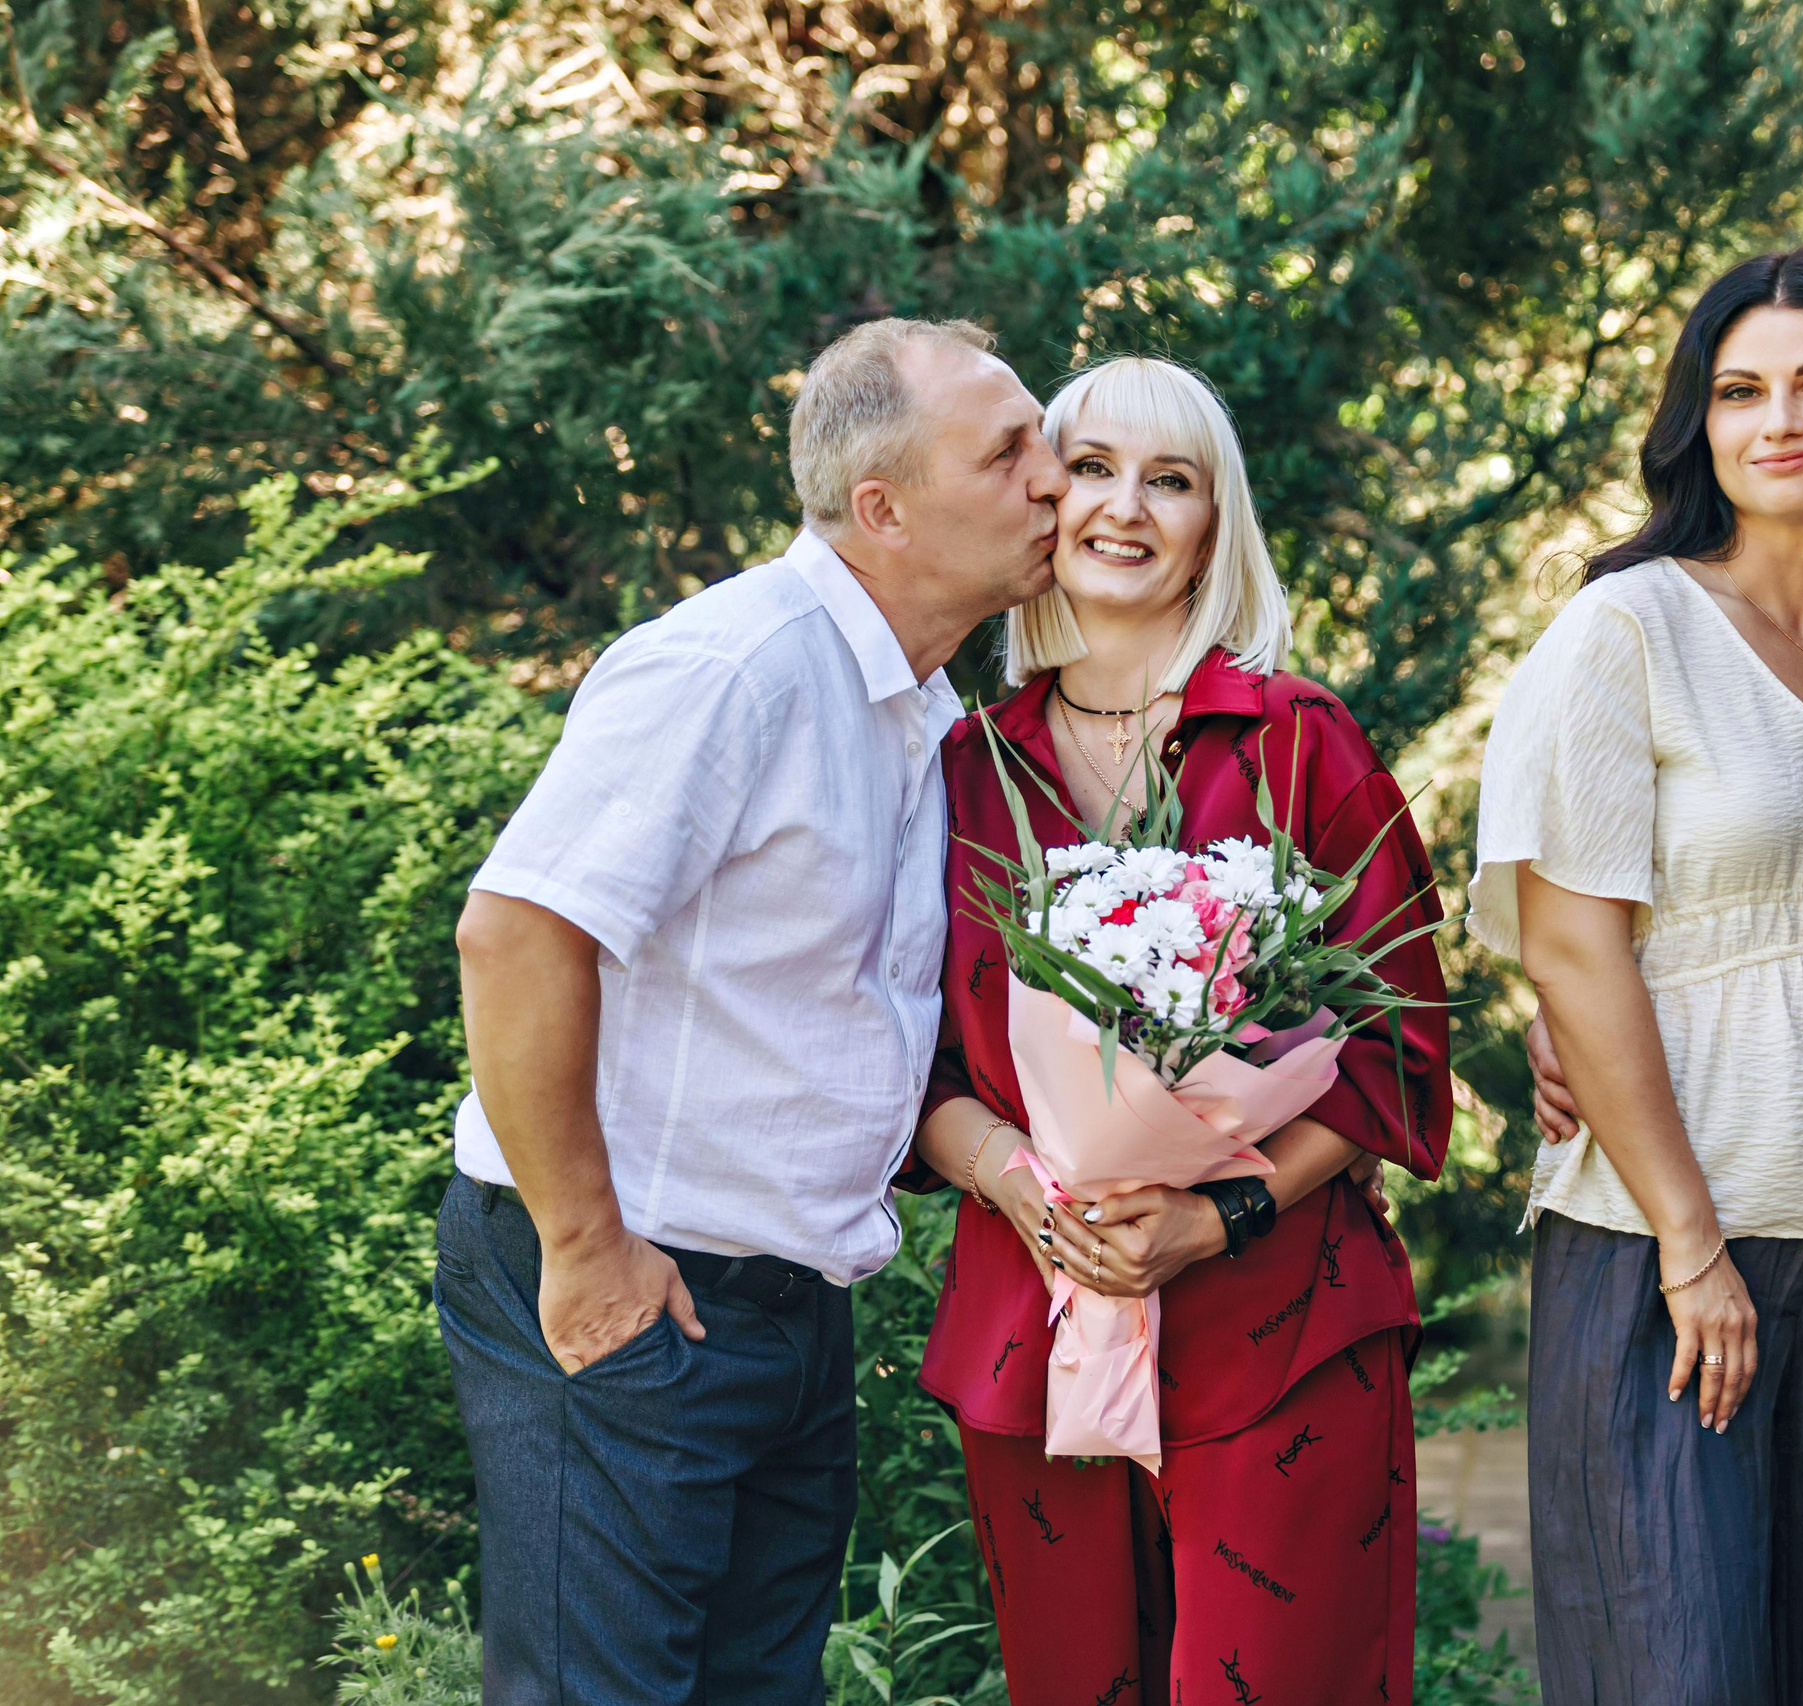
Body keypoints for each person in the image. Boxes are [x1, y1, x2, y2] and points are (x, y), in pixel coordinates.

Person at [437, 317, 1067, 1705]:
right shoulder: (735, 667)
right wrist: (590, 1245)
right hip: (637, 1279)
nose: (1056, 479)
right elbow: (519, 930)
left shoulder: (926, 711)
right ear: (882, 508)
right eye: (1011, 449)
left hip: (787, 1306)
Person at [897, 355, 1454, 1706]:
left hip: (1283, 1328)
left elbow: (1398, 1050)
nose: (1125, 507)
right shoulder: (958, 769)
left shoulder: (1302, 744)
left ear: (1217, 522)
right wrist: (1028, 1187)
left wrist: (1218, 1219)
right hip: (1037, 1329)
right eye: (1091, 468)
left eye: (1173, 479)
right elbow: (902, 1065)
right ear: (1042, 497)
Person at [1477, 246, 1803, 1706]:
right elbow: (1571, 944)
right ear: (1699, 424)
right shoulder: (1624, 632)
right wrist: (1692, 1243)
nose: (1782, 420)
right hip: (1667, 1254)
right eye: (1740, 390)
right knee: (1678, 1673)